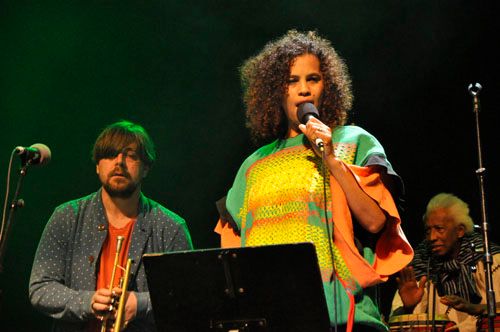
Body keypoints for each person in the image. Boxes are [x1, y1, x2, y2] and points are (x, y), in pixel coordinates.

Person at [214, 30, 413, 331]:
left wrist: (331, 159)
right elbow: (235, 260)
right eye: (292, 81)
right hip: (271, 319)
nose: (303, 89)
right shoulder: (252, 166)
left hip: (342, 318)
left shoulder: (353, 142)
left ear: (327, 86)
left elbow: (375, 222)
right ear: (274, 92)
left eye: (313, 79)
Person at [29, 120, 193, 331]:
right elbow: (41, 288)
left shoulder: (171, 226)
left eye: (131, 156)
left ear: (146, 168)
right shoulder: (66, 216)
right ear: (97, 166)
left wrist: (140, 304)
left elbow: (188, 296)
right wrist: (88, 302)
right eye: (110, 154)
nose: (119, 162)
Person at [391, 193, 500, 331]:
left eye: (439, 229)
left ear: (460, 231)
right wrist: (408, 307)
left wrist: (469, 320)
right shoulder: (419, 267)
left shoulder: (489, 261)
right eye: (428, 230)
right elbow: (397, 322)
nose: (432, 237)